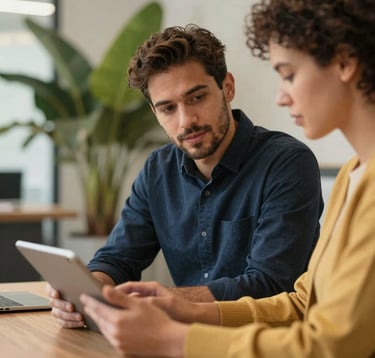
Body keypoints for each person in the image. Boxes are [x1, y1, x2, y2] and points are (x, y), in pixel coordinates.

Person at [78, 0, 375, 357]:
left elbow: (328, 341)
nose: (280, 96)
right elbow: (301, 302)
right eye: (168, 108)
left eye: (288, 74)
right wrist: (179, 307)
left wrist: (175, 339)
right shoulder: (351, 175)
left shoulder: (291, 162)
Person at [49, 24, 323, 326]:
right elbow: (117, 259)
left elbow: (271, 284)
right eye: (168, 108)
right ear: (155, 113)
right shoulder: (158, 170)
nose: (186, 121)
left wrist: (161, 299)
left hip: (268, 341)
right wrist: (88, 292)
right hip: (183, 339)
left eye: (197, 98)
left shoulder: (286, 163)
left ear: (227, 87)